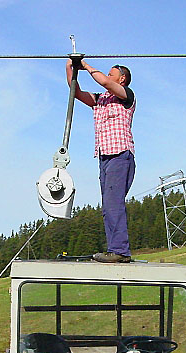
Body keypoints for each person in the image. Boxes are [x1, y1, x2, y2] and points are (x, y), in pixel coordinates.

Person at [66, 59, 136, 263]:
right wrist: (70, 67)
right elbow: (76, 92)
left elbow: (105, 82)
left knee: (113, 204)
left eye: (111, 74)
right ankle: (115, 249)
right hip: (104, 157)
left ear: (122, 79)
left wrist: (86, 66)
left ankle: (120, 250)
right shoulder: (100, 100)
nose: (107, 76)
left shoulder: (126, 96)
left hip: (120, 154)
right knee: (108, 206)